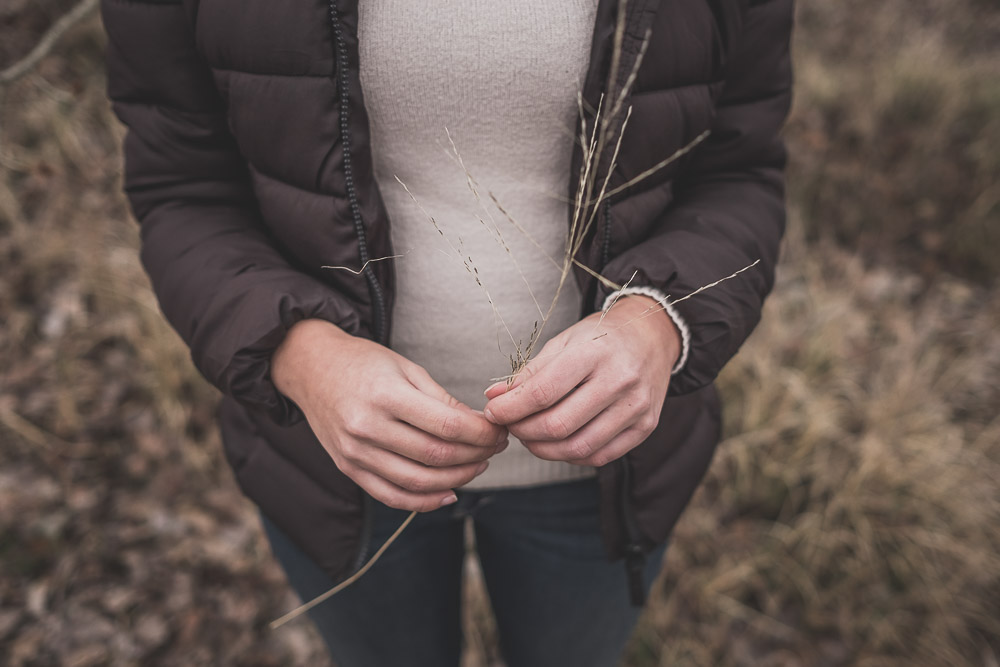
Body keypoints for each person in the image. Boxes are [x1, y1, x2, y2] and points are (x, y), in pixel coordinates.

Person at [102, 0, 793, 664]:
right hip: (336, 461)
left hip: (602, 473)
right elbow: (182, 189)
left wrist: (656, 322)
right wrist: (304, 357)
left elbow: (740, 169)